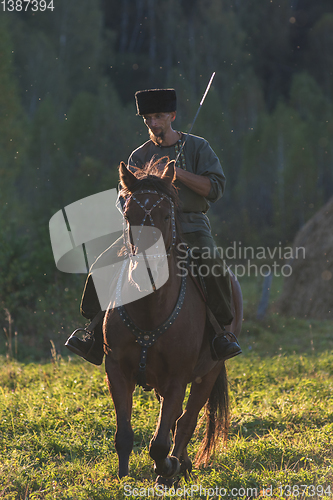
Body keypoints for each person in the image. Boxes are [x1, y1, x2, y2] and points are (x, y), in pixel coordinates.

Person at [65, 88, 241, 364]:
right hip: (145, 228)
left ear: (172, 116)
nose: (153, 122)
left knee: (211, 261)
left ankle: (221, 333)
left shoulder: (197, 147)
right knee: (102, 264)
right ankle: (91, 332)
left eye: (158, 116)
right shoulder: (138, 155)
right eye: (147, 117)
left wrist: (177, 173)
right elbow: (124, 196)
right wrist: (129, 210)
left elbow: (214, 188)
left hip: (190, 225)